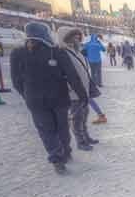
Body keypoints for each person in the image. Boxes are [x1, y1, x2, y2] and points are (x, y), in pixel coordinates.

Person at [10, 21, 88, 174]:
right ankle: (64, 152)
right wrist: (83, 95)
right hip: (59, 98)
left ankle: (57, 158)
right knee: (62, 128)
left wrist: (27, 94)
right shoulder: (57, 52)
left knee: (46, 130)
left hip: (35, 101)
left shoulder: (17, 53)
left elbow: (16, 82)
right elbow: (72, 76)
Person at [57, 27, 99, 151]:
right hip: (74, 93)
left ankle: (86, 137)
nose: (77, 39)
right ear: (66, 38)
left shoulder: (77, 52)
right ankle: (80, 141)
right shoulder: (63, 53)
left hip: (83, 90)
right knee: (77, 117)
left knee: (85, 115)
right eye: (73, 37)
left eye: (78, 37)